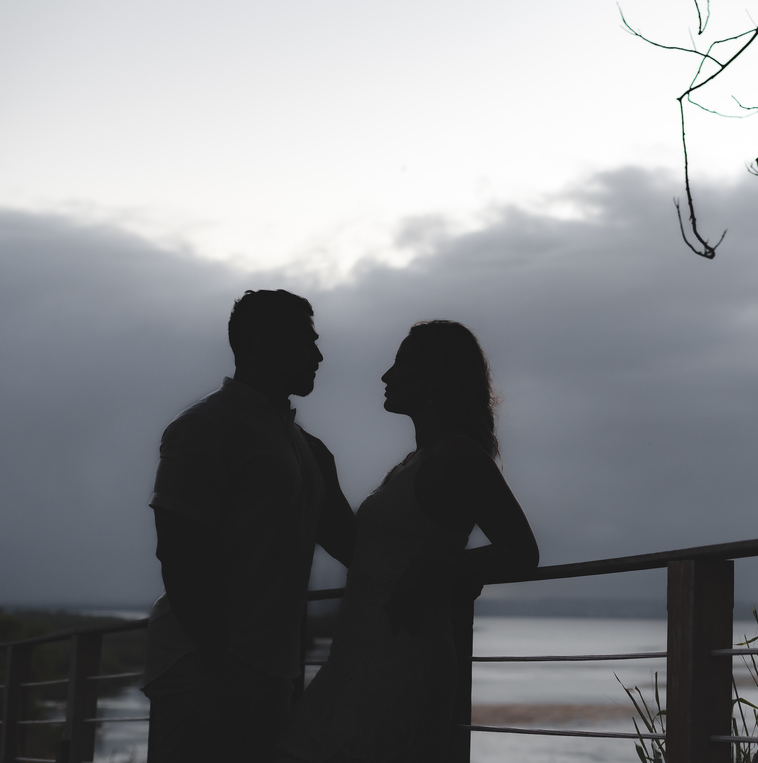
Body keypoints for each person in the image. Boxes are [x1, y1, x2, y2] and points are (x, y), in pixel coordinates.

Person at [276, 320, 539, 763]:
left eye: (400, 364)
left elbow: (522, 552)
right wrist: (325, 477)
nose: (386, 375)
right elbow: (372, 555)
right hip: (357, 656)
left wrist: (437, 568)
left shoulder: (459, 456)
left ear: (434, 378)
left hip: (403, 659)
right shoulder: (412, 463)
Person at [143, 290, 356, 763]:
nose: (318, 356)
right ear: (262, 340)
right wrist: (220, 663)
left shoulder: (306, 448)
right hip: (205, 668)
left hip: (268, 670)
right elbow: (177, 552)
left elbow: (351, 545)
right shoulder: (206, 427)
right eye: (306, 340)